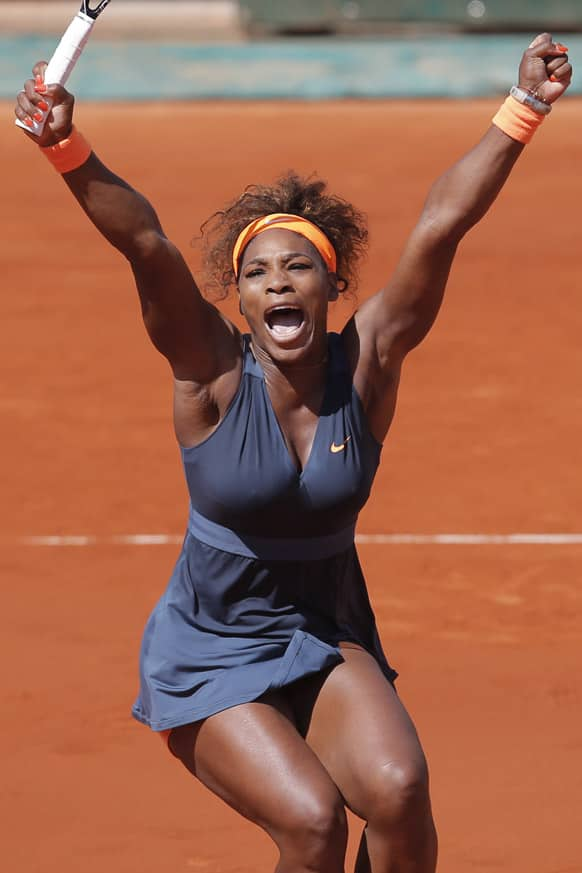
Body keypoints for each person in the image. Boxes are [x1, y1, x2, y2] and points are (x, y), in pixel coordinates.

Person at [15, 33, 571, 873]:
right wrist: (65, 146)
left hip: (321, 631)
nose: (279, 283)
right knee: (313, 824)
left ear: (330, 283)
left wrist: (523, 109)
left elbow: (441, 227)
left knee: (401, 792)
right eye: (259, 273)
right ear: (237, 298)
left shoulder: (368, 364)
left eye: (299, 267)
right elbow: (148, 247)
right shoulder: (210, 374)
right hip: (209, 647)